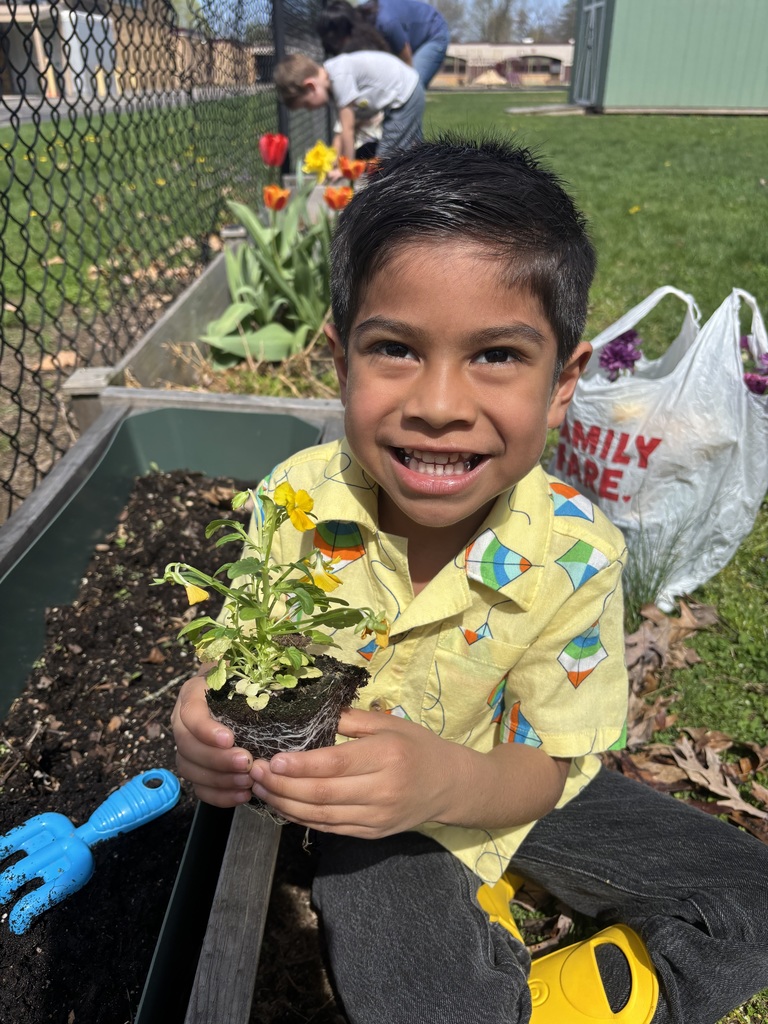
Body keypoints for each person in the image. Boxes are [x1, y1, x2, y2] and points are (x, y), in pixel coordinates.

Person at [171, 136, 768, 1024]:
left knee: (748, 890)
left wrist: (451, 787)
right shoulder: (296, 503)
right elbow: (250, 660)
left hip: (507, 781)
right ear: (339, 360)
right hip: (365, 822)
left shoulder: (575, 550)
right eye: (396, 350)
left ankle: (599, 996)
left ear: (564, 382)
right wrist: (202, 719)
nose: (440, 404)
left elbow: (548, 764)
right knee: (412, 985)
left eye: (496, 356)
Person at [274, 51, 424, 163]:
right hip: (405, 92)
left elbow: (348, 128)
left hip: (405, 95)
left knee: (385, 161)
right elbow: (341, 130)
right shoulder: (332, 82)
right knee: (410, 153)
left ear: (311, 86)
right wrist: (335, 162)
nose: (310, 109)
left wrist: (347, 168)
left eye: (306, 104)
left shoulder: (339, 77)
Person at [318, 0, 450, 89]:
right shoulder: (365, 27)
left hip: (433, 33)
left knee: (411, 88)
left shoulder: (385, 22)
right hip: (411, 37)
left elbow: (406, 59)